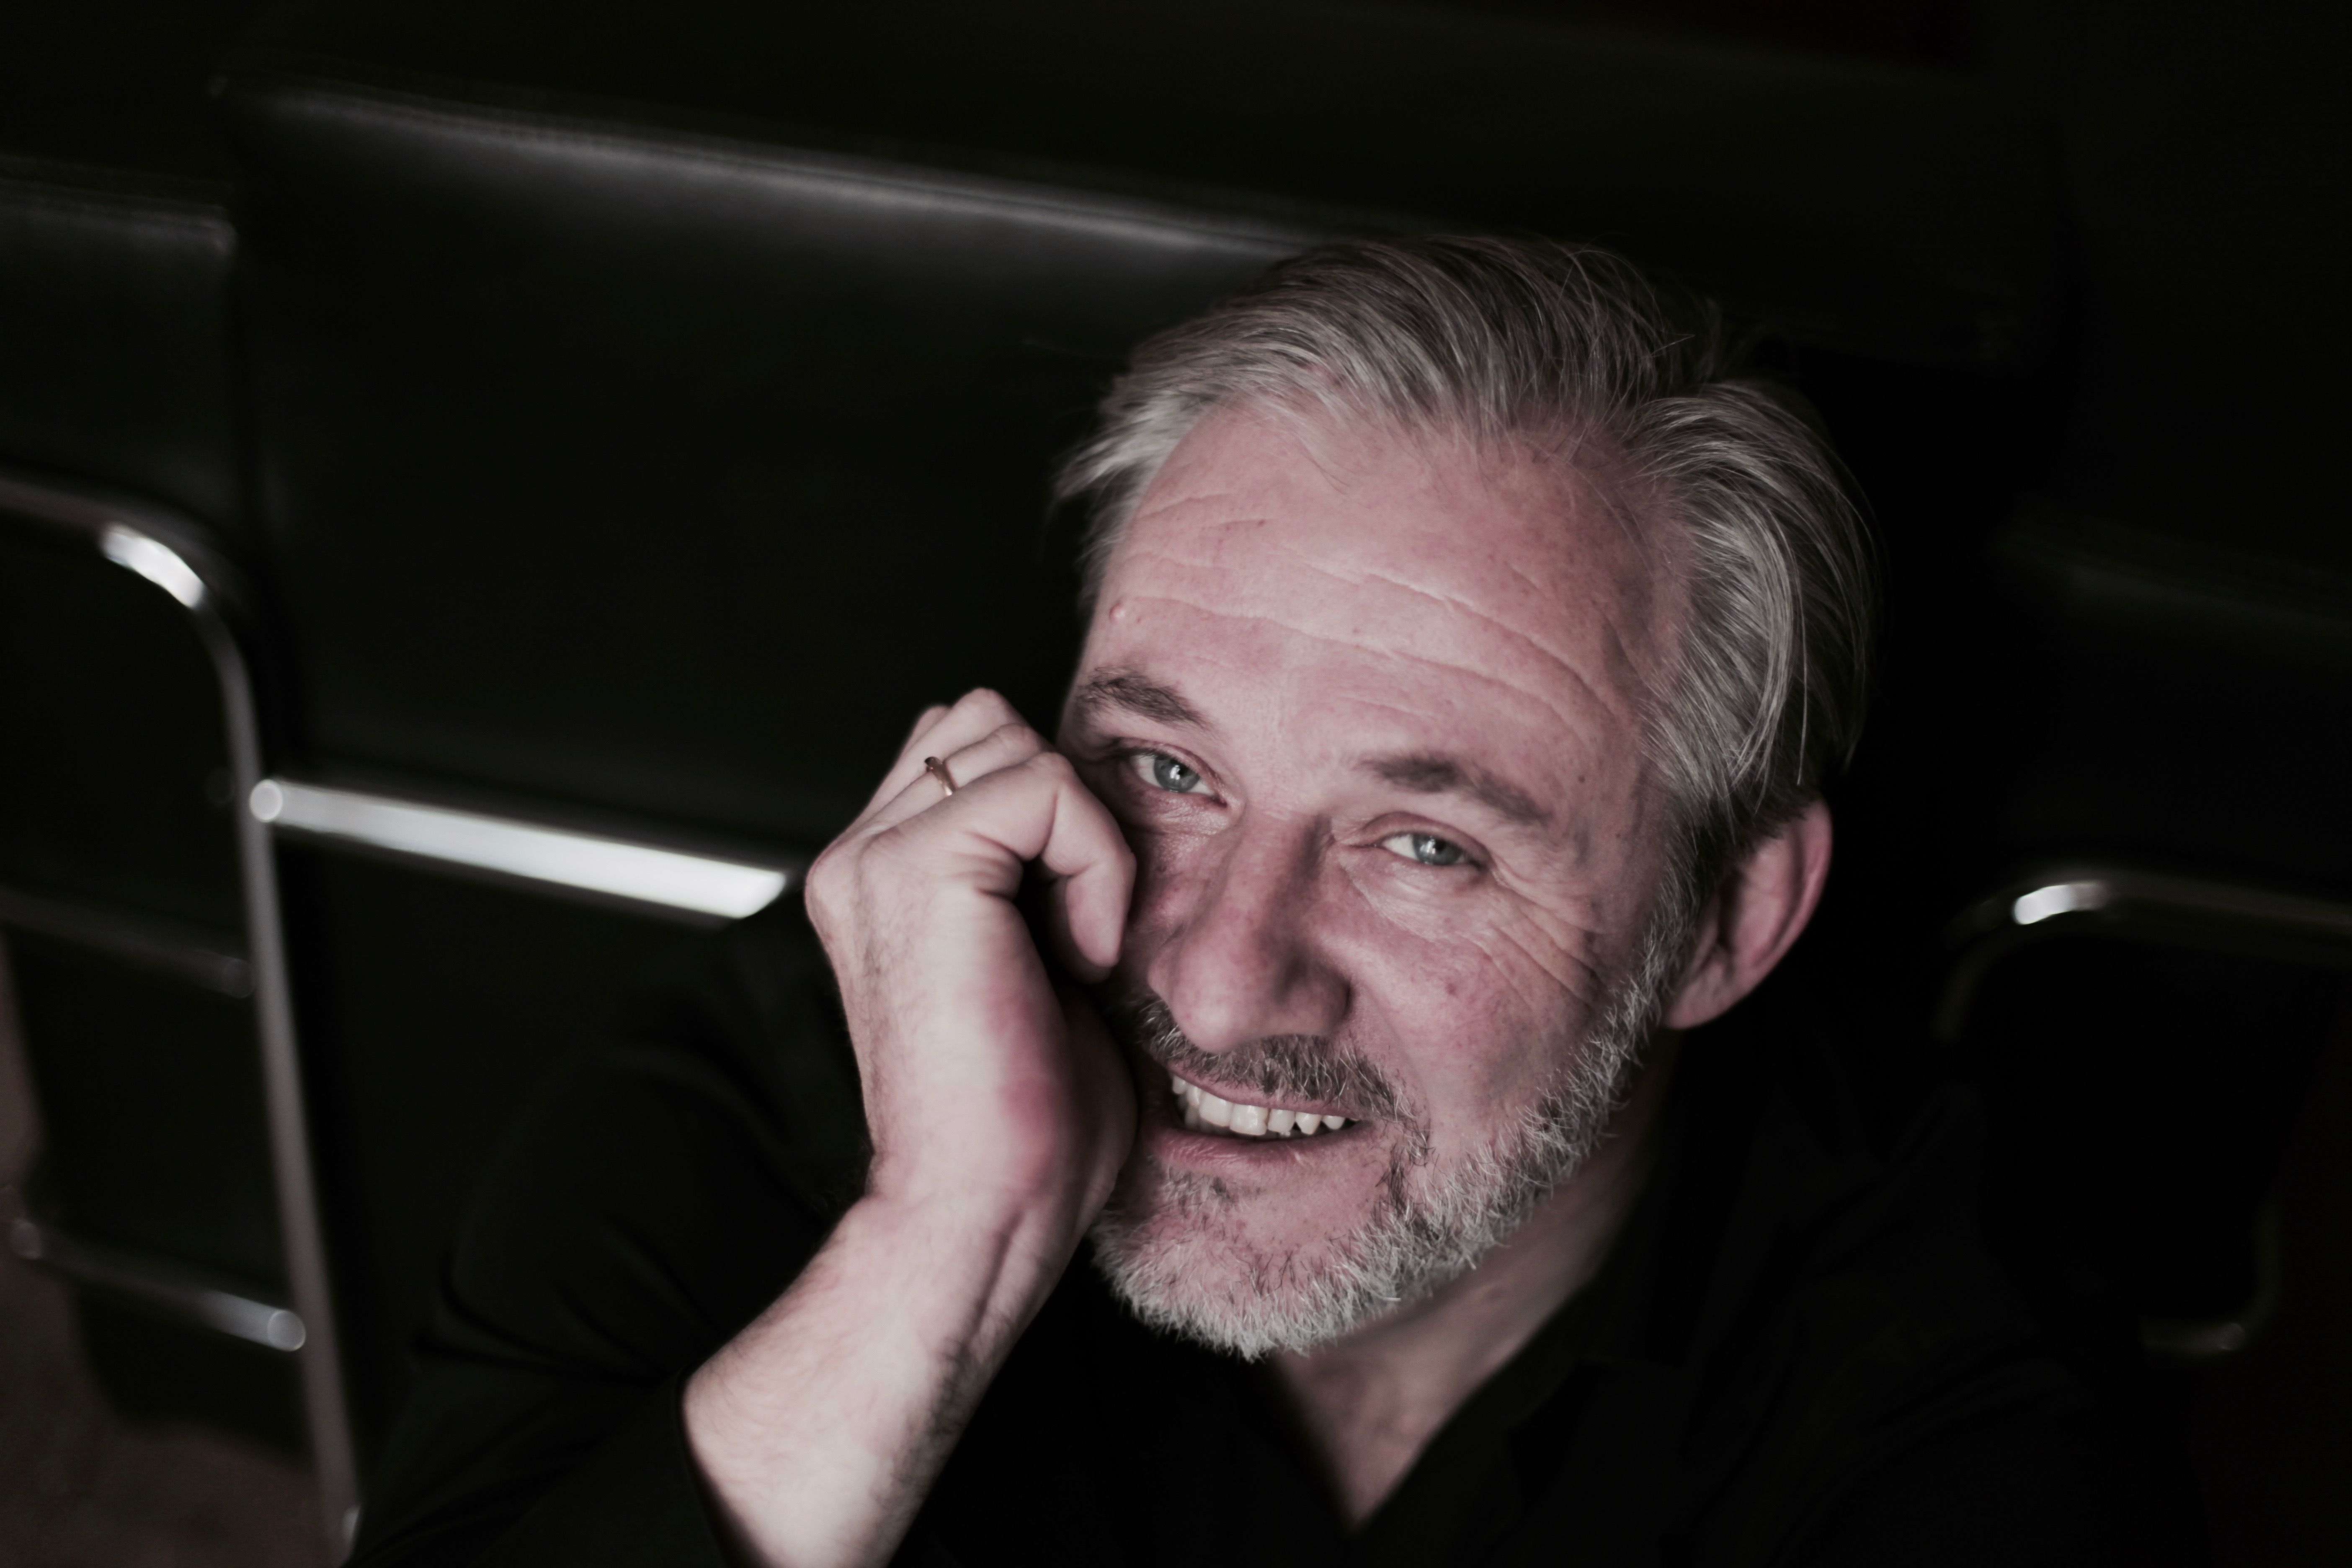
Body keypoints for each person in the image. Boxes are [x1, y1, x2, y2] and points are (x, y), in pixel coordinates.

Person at [350, 238, 2195, 1566]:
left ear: (1725, 922)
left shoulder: (1949, 1388)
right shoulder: (798, 1067)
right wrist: (934, 1261)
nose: (1223, 985)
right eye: (1172, 772)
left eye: (1426, 844)